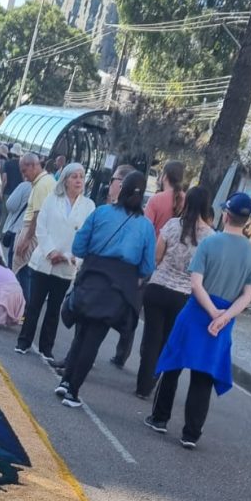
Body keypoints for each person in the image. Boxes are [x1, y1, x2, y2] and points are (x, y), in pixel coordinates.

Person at [145, 192, 251, 449]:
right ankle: (191, 433)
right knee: (203, 376)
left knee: (174, 363)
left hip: (198, 311)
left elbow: (195, 283)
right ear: (247, 220)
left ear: (226, 214)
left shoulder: (210, 243)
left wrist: (210, 311)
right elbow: (248, 296)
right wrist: (223, 316)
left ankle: (160, 418)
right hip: (222, 319)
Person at [55, 171, 156, 408]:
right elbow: (147, 266)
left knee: (81, 333)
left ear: (121, 190)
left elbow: (79, 247)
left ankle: (65, 381)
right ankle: (73, 390)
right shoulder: (145, 227)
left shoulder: (101, 212)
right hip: (118, 287)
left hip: (91, 277)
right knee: (94, 338)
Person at [135, 187, 214, 400]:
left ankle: (143, 383)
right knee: (167, 340)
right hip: (183, 295)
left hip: (158, 287)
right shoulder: (210, 237)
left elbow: (157, 257)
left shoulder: (172, 225)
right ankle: (154, 378)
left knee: (152, 337)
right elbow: (205, 273)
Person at [14, 163, 95, 363]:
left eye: (81, 177)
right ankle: (24, 341)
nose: (78, 180)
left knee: (54, 308)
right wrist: (51, 251)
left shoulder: (88, 206)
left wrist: (68, 256)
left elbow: (86, 236)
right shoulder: (52, 199)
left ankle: (46, 347)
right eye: (74, 176)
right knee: (34, 304)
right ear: (65, 180)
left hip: (67, 264)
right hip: (44, 259)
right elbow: (41, 227)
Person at [106, 164, 138, 369]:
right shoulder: (141, 221)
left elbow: (80, 245)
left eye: (113, 180)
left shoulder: (105, 212)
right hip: (125, 275)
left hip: (103, 273)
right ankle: (122, 353)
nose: (110, 183)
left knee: (92, 322)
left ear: (122, 184)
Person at [12, 153, 55, 301]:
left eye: (24, 171)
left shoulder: (42, 184)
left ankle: (23, 306)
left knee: (22, 270)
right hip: (36, 230)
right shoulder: (48, 180)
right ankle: (23, 306)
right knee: (25, 270)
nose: (24, 176)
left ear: (33, 166)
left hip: (31, 229)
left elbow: (37, 215)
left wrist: (26, 240)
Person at [144, 160, 186, 238]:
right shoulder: (187, 200)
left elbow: (145, 229)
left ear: (165, 176)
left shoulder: (155, 199)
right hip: (177, 249)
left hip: (155, 247)